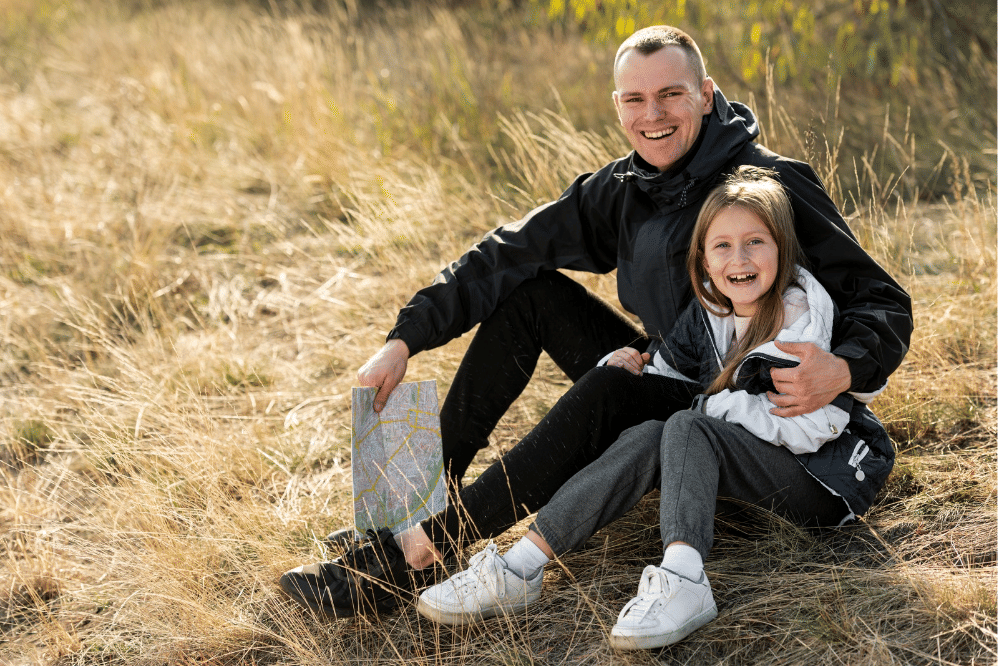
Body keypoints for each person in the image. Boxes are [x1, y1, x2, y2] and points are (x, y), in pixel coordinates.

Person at [277, 25, 911, 619]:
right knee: (530, 295)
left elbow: (881, 298)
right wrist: (405, 338)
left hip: (747, 414)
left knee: (610, 389)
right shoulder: (623, 189)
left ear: (705, 94)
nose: (653, 115)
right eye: (636, 99)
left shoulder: (769, 188)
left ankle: (402, 563)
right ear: (618, 107)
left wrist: (845, 367)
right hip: (671, 366)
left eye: (671, 94)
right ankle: (412, 512)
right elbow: (508, 252)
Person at [414, 167, 895, 650]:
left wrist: (709, 408)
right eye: (722, 246)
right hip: (746, 470)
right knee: (651, 433)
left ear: (782, 249)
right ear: (704, 261)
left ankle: (684, 580)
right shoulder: (712, 310)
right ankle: (519, 568)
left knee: (688, 424)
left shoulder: (800, 319)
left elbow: (814, 427)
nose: (739, 259)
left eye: (755, 242)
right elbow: (669, 372)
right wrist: (625, 365)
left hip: (820, 481)